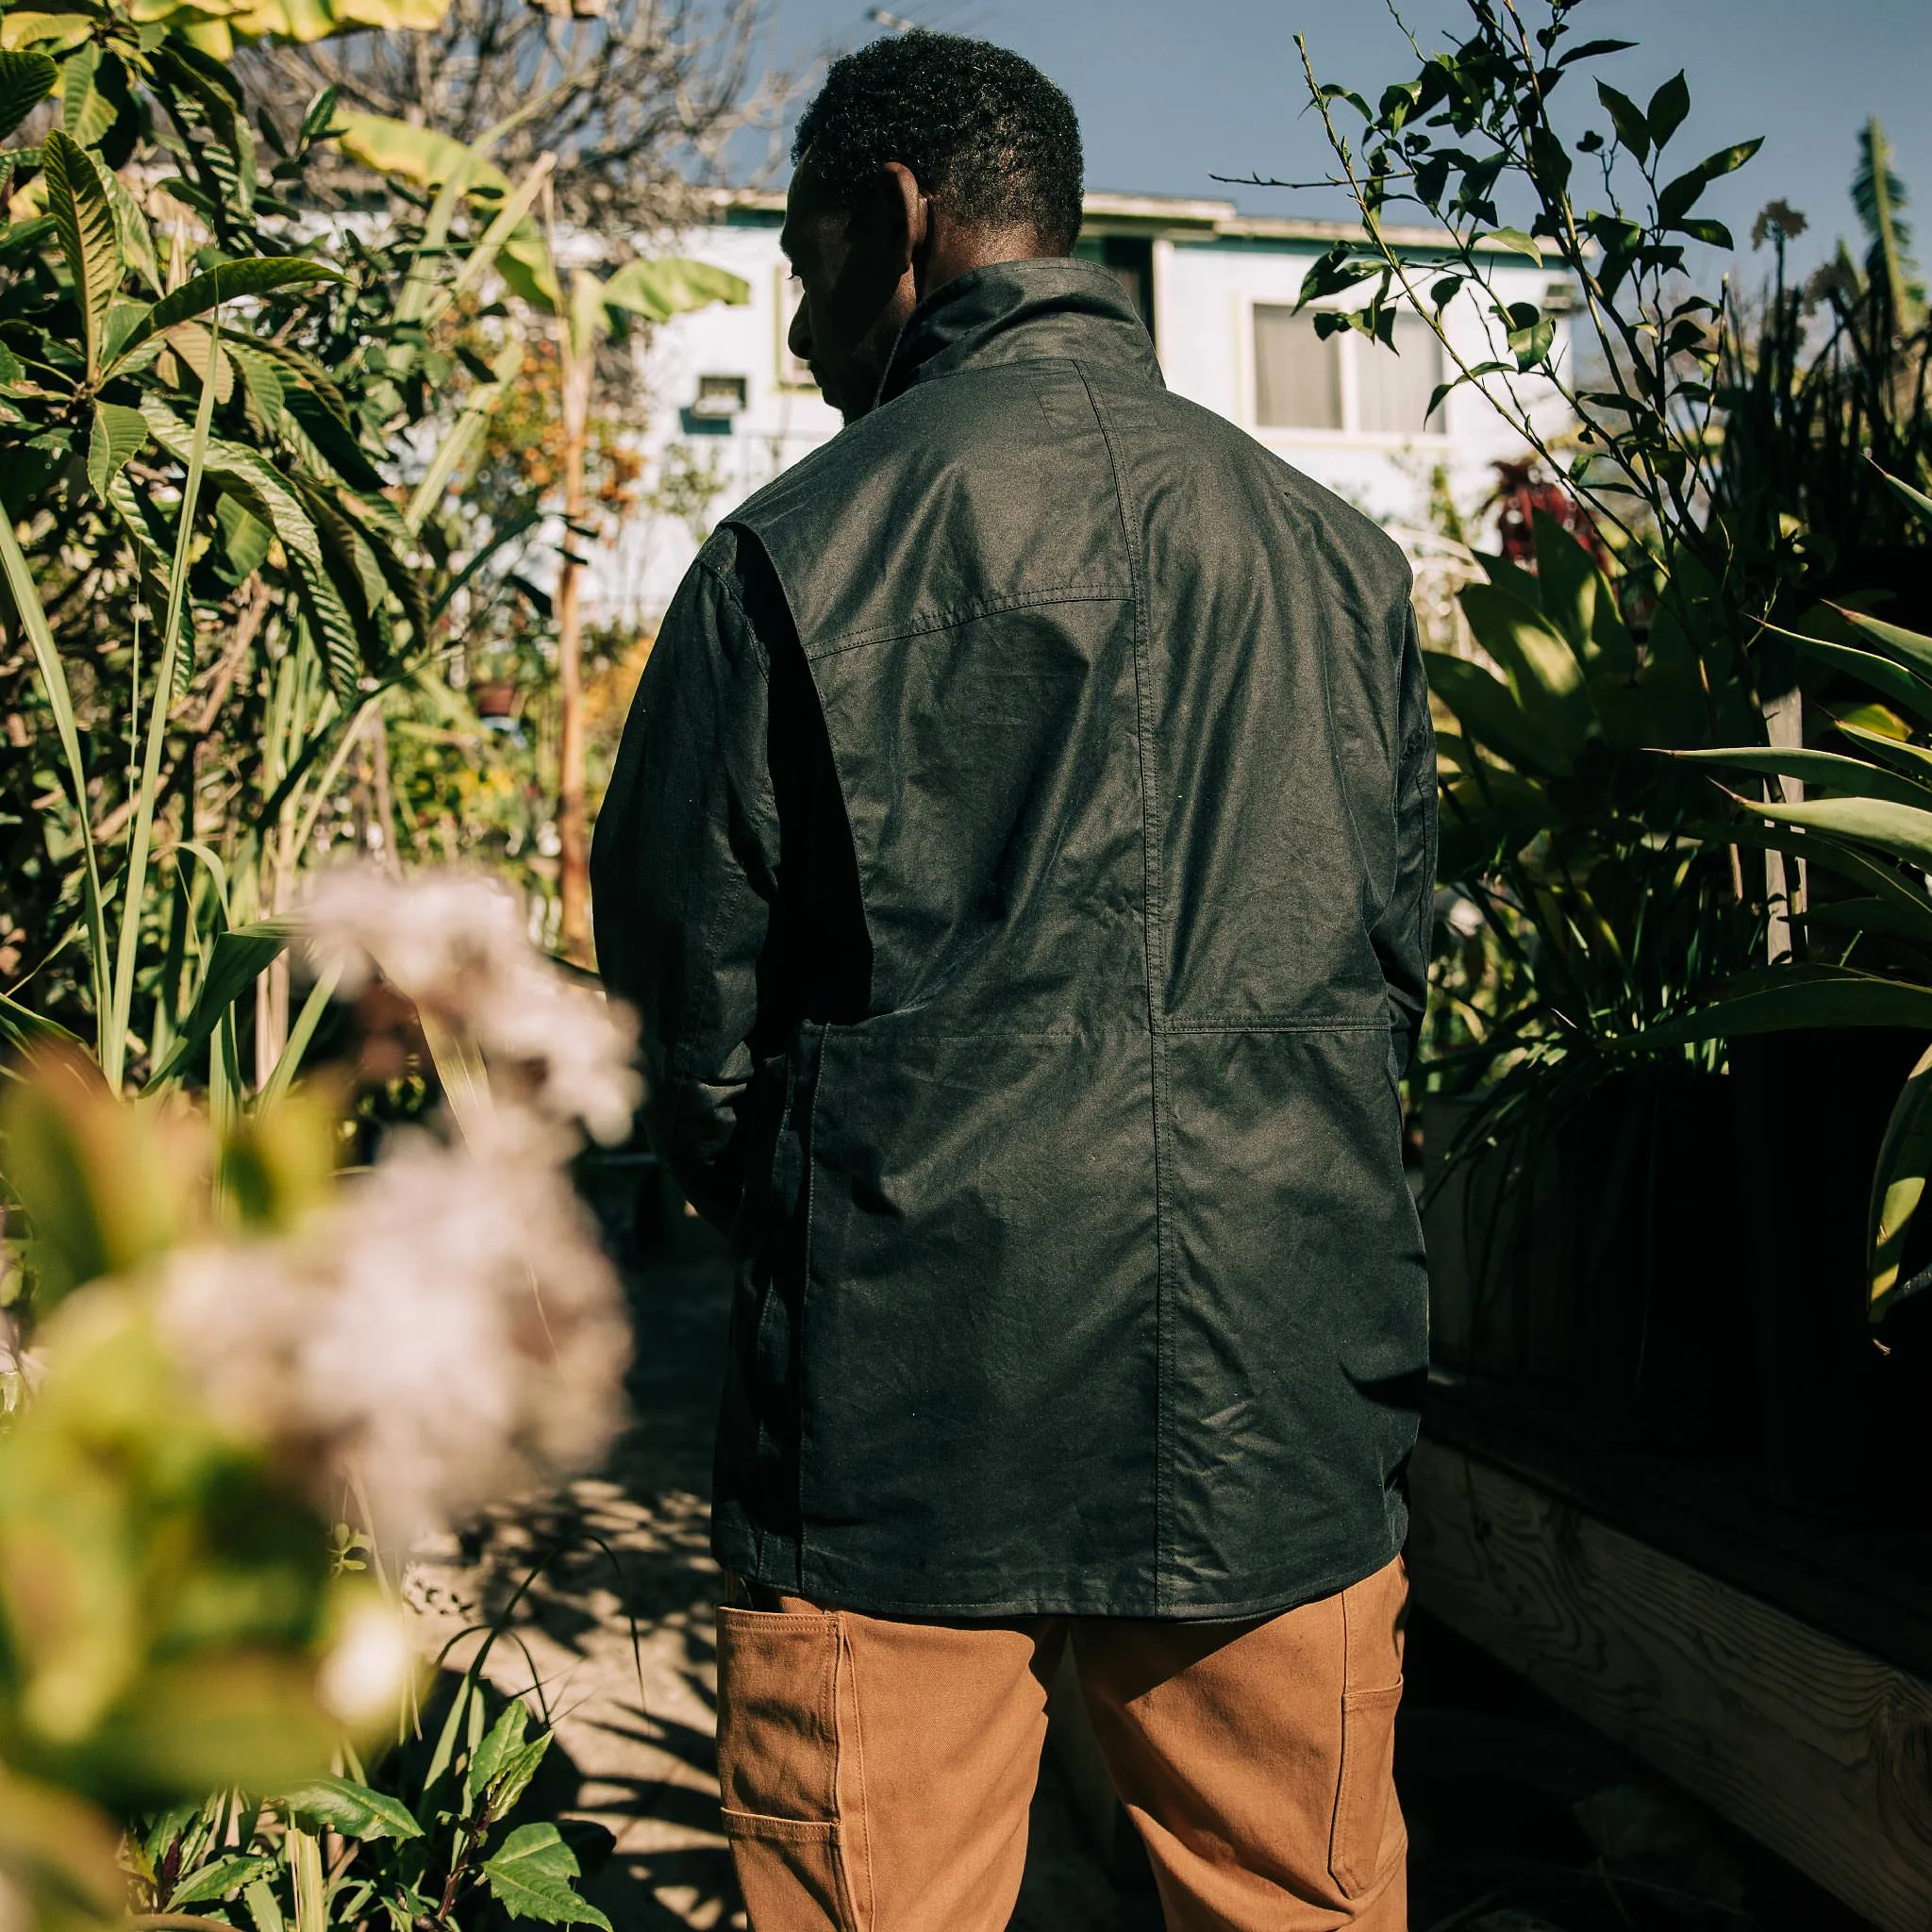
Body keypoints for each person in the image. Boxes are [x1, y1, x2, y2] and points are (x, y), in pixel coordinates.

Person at [591, 30, 1435, 1932]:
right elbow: (1387, 950)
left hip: (902, 1404)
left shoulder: (788, 552)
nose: (801, 334)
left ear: (897, 221)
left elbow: (678, 990)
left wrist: (811, 1209)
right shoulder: (1335, 560)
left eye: (805, 267)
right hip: (1271, 1378)